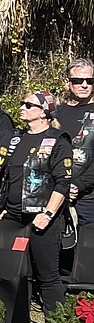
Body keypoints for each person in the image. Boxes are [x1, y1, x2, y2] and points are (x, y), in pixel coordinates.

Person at [0, 90, 71, 317]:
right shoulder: (16, 138)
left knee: (47, 275)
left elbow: (63, 183)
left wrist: (48, 214)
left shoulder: (58, 140)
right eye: (22, 103)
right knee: (18, 274)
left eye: (29, 105)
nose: (22, 107)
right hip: (14, 217)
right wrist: (2, 207)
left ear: (44, 112)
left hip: (42, 219)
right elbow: (7, 176)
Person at [53, 58, 94, 227]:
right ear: (67, 82)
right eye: (78, 80)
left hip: (88, 199)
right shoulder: (56, 114)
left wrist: (78, 185)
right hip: (54, 194)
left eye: (90, 81)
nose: (84, 85)